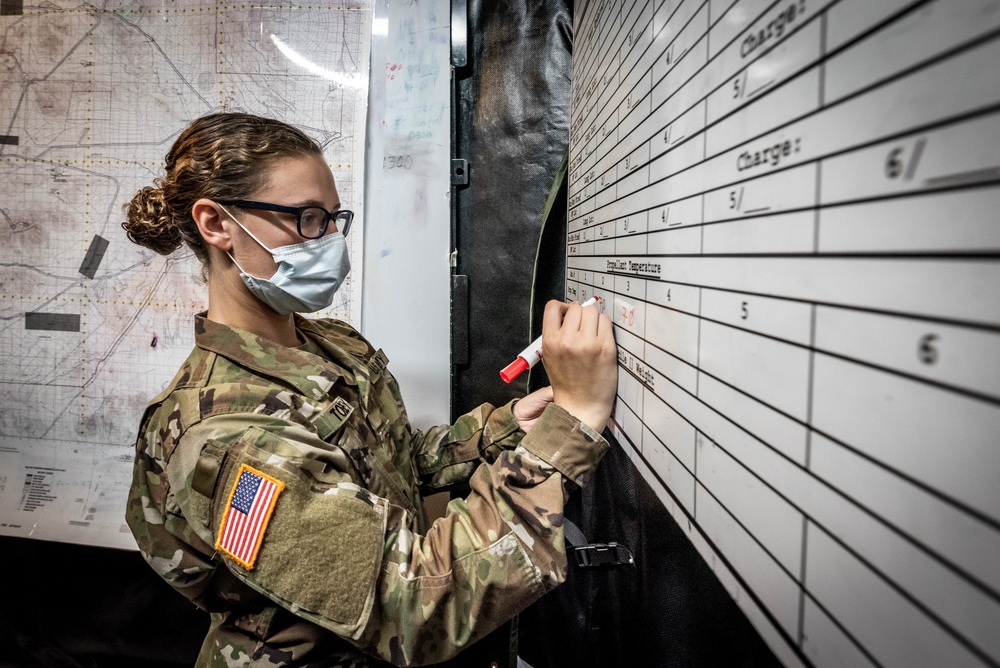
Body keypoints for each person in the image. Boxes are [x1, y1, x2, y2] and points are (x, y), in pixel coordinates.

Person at [123, 112, 618, 668]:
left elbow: (386, 464)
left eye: (335, 219)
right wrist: (568, 425)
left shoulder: (327, 342)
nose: (331, 241)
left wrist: (504, 431)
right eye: (308, 219)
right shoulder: (228, 437)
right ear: (217, 225)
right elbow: (412, 601)